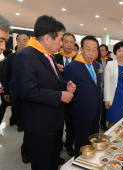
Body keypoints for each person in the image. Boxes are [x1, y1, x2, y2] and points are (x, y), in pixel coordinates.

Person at [14, 15, 75, 170]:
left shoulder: (48, 55)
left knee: (53, 160)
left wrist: (65, 85)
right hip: (40, 124)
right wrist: (60, 95)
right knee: (42, 163)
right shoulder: (26, 55)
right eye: (60, 39)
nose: (61, 44)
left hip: (54, 121)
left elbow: (51, 80)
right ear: (47, 38)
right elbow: (28, 91)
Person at [64, 36, 102, 157]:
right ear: (81, 49)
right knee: (81, 143)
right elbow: (67, 87)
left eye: (94, 50)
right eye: (88, 49)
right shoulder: (73, 66)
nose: (91, 53)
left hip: (96, 110)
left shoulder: (95, 65)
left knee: (93, 141)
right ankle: (79, 164)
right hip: (81, 112)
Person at [104, 41, 123, 129]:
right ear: (115, 52)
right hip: (113, 98)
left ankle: (119, 140)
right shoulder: (110, 64)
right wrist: (107, 99)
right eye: (119, 51)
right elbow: (107, 83)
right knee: (112, 120)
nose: (121, 53)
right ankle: (110, 140)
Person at [55, 33, 76, 157]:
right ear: (61, 43)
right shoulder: (54, 58)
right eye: (66, 42)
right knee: (57, 126)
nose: (69, 45)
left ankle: (69, 145)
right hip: (57, 97)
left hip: (73, 98)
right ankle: (57, 148)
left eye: (71, 42)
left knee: (71, 125)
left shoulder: (78, 59)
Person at [4, 33, 30, 132]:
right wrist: (6, 92)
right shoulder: (11, 57)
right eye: (19, 40)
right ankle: (20, 124)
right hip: (16, 90)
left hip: (30, 89)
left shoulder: (34, 56)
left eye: (24, 40)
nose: (22, 43)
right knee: (18, 110)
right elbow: (7, 76)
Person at [0, 49, 15, 126]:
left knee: (4, 105)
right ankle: (13, 121)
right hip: (9, 88)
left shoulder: (1, 62)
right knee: (14, 105)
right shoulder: (13, 61)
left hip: (4, 87)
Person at [99, 44, 112, 131]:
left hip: (109, 87)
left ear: (107, 52)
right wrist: (101, 85)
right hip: (99, 87)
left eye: (103, 50)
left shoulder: (111, 61)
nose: (101, 52)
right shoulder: (95, 60)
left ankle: (103, 124)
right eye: (100, 50)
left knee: (105, 107)